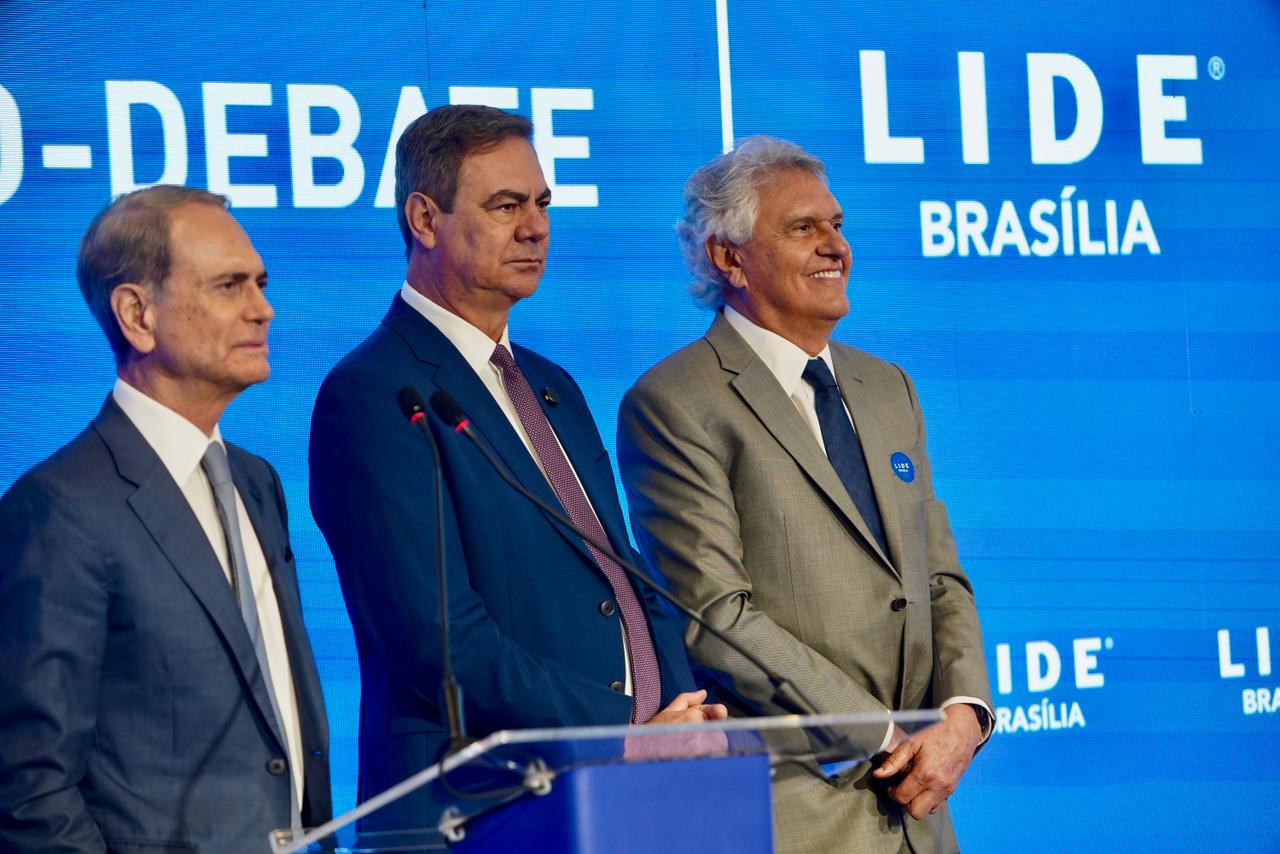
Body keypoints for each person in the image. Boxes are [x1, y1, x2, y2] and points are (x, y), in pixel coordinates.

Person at [309, 104, 723, 828]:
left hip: (623, 795)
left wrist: (680, 716)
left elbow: (624, 571)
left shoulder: (551, 383)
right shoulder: (374, 393)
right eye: (506, 206)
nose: (535, 227)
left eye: (542, 204)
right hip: (481, 808)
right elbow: (439, 639)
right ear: (424, 219)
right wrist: (626, 729)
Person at [616, 136, 994, 854]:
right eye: (803, 228)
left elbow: (938, 576)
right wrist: (884, 734)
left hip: (924, 809)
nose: (835, 246)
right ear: (728, 258)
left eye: (838, 225)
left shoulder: (889, 388)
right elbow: (715, 614)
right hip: (795, 812)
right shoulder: (676, 401)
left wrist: (963, 714)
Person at [0, 186, 331, 853]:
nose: (262, 309)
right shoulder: (61, 506)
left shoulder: (256, 481)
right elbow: (31, 784)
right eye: (229, 286)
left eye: (261, 283)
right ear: (137, 314)